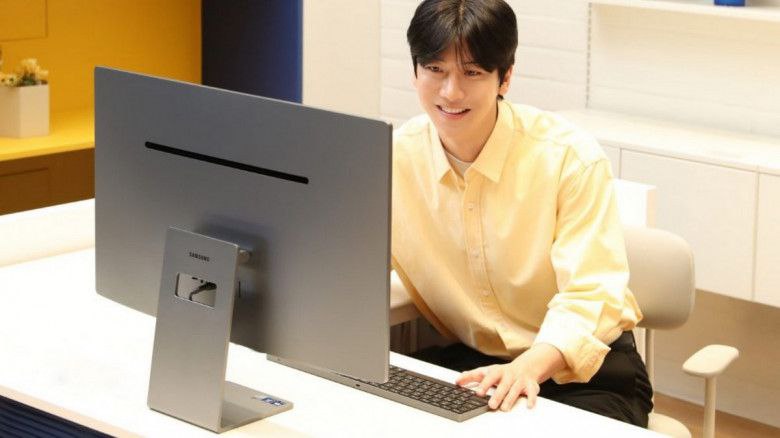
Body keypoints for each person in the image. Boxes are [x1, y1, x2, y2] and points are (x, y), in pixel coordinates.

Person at [391, 0, 653, 427]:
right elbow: (347, 254)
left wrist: (528, 367)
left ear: (506, 77)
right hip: (477, 364)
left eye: (472, 73)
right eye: (435, 69)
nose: (451, 92)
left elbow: (591, 294)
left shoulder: (569, 158)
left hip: (585, 374)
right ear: (415, 71)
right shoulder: (393, 159)